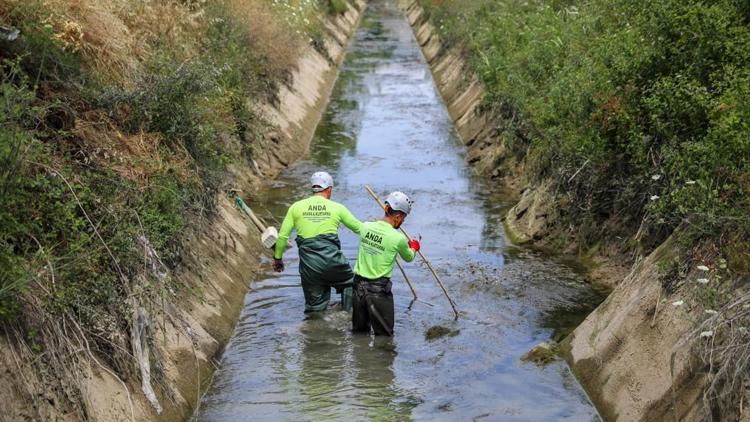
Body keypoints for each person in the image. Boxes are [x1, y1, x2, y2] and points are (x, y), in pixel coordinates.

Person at [273, 171, 361, 313]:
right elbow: (361, 230)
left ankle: (314, 326)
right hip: (334, 263)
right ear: (329, 189)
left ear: (313, 188)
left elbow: (282, 236)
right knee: (352, 283)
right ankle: (347, 315)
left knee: (315, 309)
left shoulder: (295, 207)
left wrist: (277, 259)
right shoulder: (338, 208)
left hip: (310, 267)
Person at [352, 191, 420, 336]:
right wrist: (414, 247)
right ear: (398, 216)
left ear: (386, 208)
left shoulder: (366, 227)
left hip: (357, 288)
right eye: (403, 219)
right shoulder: (398, 238)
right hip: (378, 292)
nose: (402, 222)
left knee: (359, 334)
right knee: (384, 338)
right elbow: (408, 257)